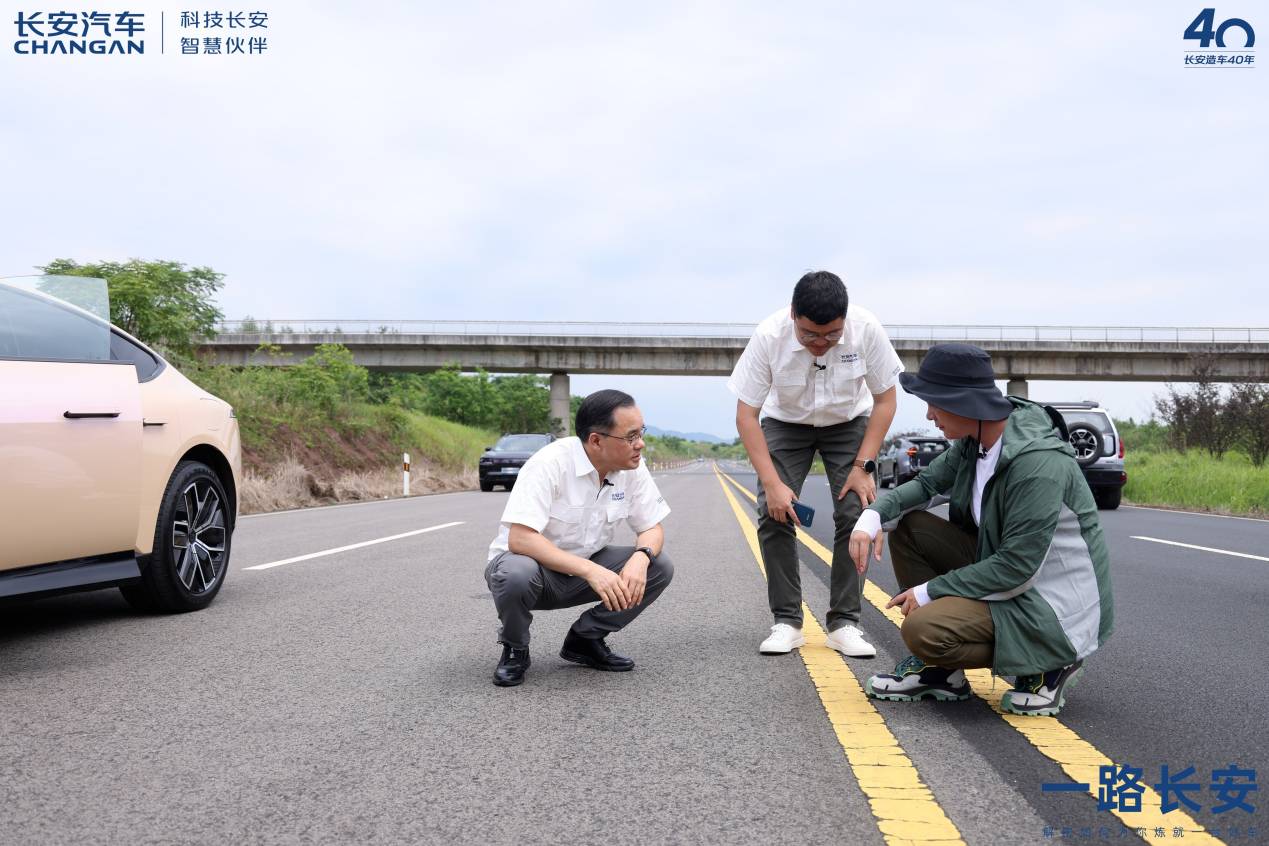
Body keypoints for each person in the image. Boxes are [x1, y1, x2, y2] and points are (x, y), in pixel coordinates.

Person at [849, 343, 1114, 716]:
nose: (929, 415)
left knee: (923, 630)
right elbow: (925, 487)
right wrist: (871, 517)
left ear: (963, 402)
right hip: (1013, 575)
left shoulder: (1036, 464)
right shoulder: (977, 442)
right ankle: (942, 674)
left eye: (934, 403)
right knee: (912, 529)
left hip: (1052, 605)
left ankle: (1051, 660)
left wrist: (930, 591)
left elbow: (1017, 568)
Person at [728, 270, 903, 657]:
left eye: (832, 335)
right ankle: (787, 622)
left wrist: (864, 465)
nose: (821, 344)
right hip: (785, 423)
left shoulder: (866, 328)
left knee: (856, 512)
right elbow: (746, 415)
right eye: (810, 335)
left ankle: (845, 623)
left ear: (845, 320)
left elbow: (886, 400)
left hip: (848, 422)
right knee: (772, 510)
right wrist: (772, 483)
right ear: (793, 315)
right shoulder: (768, 336)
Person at [484, 389, 673, 687]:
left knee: (658, 566)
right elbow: (520, 540)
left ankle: (585, 639)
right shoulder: (550, 464)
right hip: (535, 576)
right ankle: (515, 648)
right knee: (515, 573)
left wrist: (641, 556)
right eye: (631, 436)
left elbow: (653, 527)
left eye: (642, 432)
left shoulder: (632, 467)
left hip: (583, 570)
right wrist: (592, 571)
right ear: (596, 440)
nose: (641, 444)